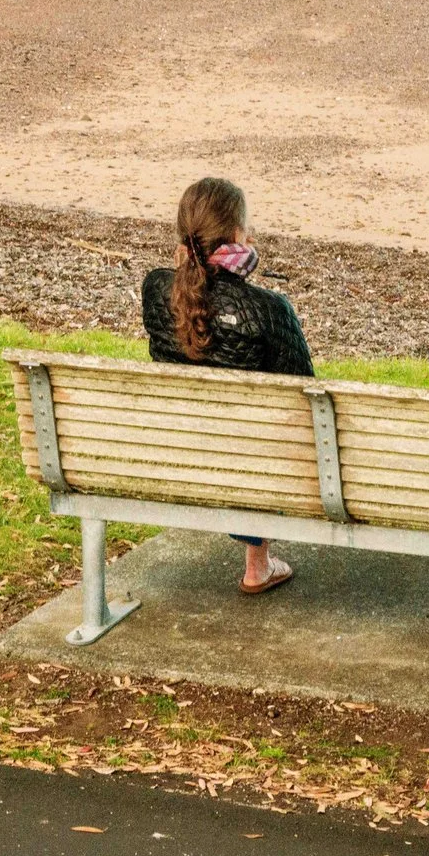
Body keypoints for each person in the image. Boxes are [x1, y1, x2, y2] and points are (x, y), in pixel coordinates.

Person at [140, 177, 314, 596]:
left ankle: (259, 562)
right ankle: (258, 565)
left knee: (237, 431)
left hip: (183, 450)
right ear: (238, 236)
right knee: (268, 433)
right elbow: (307, 397)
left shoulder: (156, 290)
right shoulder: (269, 310)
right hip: (249, 458)